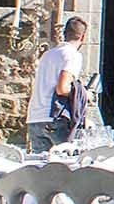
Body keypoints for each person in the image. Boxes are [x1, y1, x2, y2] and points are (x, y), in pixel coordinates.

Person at [27, 17, 87, 153]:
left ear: (64, 34)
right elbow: (62, 88)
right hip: (55, 117)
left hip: (34, 118)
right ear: (82, 37)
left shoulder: (47, 55)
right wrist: (84, 93)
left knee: (42, 168)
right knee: (68, 165)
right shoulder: (72, 55)